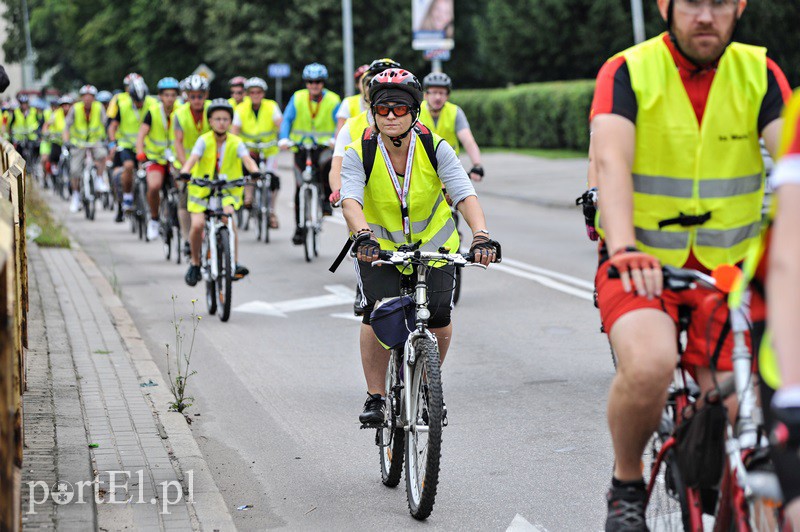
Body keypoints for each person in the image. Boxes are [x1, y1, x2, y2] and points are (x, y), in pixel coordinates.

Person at [589, 0, 791, 529]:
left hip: (731, 275)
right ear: (666, 7)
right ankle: (627, 483)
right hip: (641, 266)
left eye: (720, 3)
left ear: (739, 7)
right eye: (693, 3)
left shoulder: (761, 73)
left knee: (743, 401)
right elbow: (611, 160)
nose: (706, 16)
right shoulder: (628, 70)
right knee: (652, 364)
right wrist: (625, 246)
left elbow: (790, 164)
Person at [340, 68, 498, 424]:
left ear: (414, 111)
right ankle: (376, 397)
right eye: (383, 109)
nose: (391, 116)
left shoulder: (434, 146)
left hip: (435, 249)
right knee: (376, 314)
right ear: (373, 112)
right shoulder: (359, 151)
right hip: (378, 250)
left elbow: (463, 193)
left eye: (399, 109)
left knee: (439, 320)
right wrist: (363, 235)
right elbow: (349, 198)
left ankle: (429, 383)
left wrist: (481, 235)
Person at [181, 99, 260, 286]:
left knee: (229, 218)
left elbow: (247, 159)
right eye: (217, 119)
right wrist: (185, 172)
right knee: (198, 225)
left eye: (225, 119)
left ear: (230, 121)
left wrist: (255, 171)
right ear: (210, 121)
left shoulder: (236, 141)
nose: (221, 122)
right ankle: (195, 262)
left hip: (228, 190)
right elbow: (192, 159)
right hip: (202, 190)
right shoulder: (204, 140)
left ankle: (233, 263)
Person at [278, 62, 341, 244]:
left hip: (323, 147)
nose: (314, 85)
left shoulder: (333, 99)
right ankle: (299, 228)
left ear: (323, 83)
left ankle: (325, 203)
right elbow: (287, 120)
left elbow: (339, 122)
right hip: (300, 146)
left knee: (326, 166)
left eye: (318, 81)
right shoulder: (297, 98)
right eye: (311, 81)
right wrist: (284, 138)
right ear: (306, 83)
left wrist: (334, 139)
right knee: (299, 186)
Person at [231, 76, 282, 225]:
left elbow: (280, 124)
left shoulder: (271, 106)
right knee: (248, 173)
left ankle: (271, 212)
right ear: (247, 94)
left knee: (273, 180)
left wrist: (284, 138)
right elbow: (234, 131)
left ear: (263, 93)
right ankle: (248, 198)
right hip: (249, 149)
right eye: (252, 92)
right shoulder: (241, 109)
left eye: (258, 92)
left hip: (269, 150)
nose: (255, 95)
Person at [136, 77, 180, 240]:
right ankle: (154, 219)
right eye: (166, 95)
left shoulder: (181, 110)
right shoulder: (153, 111)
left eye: (173, 95)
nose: (170, 98)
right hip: (156, 158)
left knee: (182, 187)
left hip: (176, 159)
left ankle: (177, 217)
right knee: (154, 186)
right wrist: (140, 152)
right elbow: (141, 134)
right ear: (160, 96)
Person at [419, 72, 484, 181]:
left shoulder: (455, 112)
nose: (438, 97)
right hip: (422, 169)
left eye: (442, 93)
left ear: (447, 96)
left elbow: (468, 141)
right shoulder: (416, 112)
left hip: (449, 167)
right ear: (426, 95)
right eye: (434, 92)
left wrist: (477, 165)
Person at [174, 75, 211, 256]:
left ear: (206, 95)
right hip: (186, 163)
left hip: (209, 164)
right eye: (193, 96)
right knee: (185, 197)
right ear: (187, 96)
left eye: (200, 96)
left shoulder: (213, 110)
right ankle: (187, 238)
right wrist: (185, 167)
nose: (197, 100)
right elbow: (178, 142)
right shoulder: (180, 114)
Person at [108, 77, 156, 212]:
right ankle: (128, 197)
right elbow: (112, 126)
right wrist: (113, 143)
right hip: (127, 145)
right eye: (137, 101)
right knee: (128, 166)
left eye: (142, 101)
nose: (140, 104)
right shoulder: (122, 105)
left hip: (147, 146)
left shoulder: (153, 104)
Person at [63, 85, 108, 213]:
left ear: (94, 98)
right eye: (85, 96)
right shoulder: (75, 109)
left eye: (91, 97)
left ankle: (99, 179)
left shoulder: (99, 108)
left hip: (95, 142)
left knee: (102, 155)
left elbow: (105, 124)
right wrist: (67, 141)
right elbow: (66, 127)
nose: (88, 99)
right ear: (82, 97)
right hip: (79, 143)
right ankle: (76, 195)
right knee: (75, 170)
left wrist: (107, 139)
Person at [41, 95, 72, 183]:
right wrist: (46, 132)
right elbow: (47, 124)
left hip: (70, 142)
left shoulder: (73, 114)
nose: (66, 107)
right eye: (64, 105)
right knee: (54, 156)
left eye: (68, 105)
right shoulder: (56, 114)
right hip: (57, 141)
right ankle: (54, 172)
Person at [335, 63, 370, 135]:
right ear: (357, 84)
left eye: (371, 82)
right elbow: (340, 130)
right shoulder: (348, 102)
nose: (368, 86)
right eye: (364, 82)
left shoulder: (383, 102)